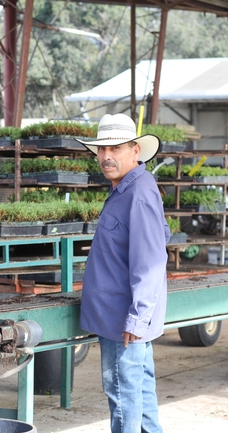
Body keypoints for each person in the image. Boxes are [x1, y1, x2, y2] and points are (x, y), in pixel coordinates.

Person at [75, 113, 170, 433]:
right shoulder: (128, 189)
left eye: (115, 148)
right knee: (140, 393)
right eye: (101, 149)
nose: (106, 156)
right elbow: (162, 235)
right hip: (120, 316)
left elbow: (151, 261)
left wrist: (137, 317)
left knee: (123, 395)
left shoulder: (138, 193)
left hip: (123, 321)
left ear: (135, 151)